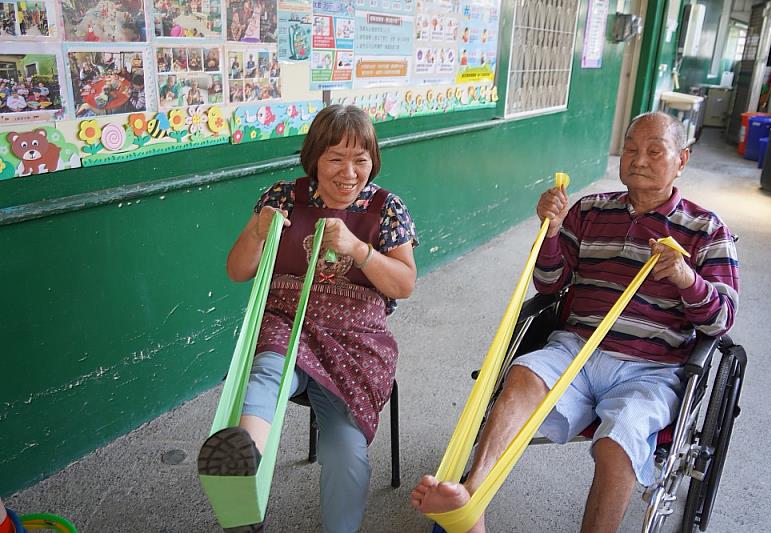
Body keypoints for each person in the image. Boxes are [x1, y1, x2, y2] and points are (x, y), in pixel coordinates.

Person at [411, 112, 739, 533]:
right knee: (523, 376)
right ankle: (470, 502)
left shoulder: (708, 230)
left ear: (682, 159)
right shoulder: (589, 210)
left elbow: (721, 322)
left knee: (618, 441)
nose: (639, 159)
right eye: (632, 149)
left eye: (655, 151)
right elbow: (550, 284)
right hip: (577, 349)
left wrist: (686, 278)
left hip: (652, 369)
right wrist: (551, 232)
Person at [198, 104, 418, 533]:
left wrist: (359, 249)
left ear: (373, 160)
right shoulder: (282, 197)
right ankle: (243, 469)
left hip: (356, 341)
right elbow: (238, 270)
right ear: (314, 158)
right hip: (288, 321)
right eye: (335, 158)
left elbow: (404, 284)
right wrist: (258, 231)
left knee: (346, 451)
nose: (349, 172)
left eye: (361, 159)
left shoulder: (388, 207)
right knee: (267, 369)